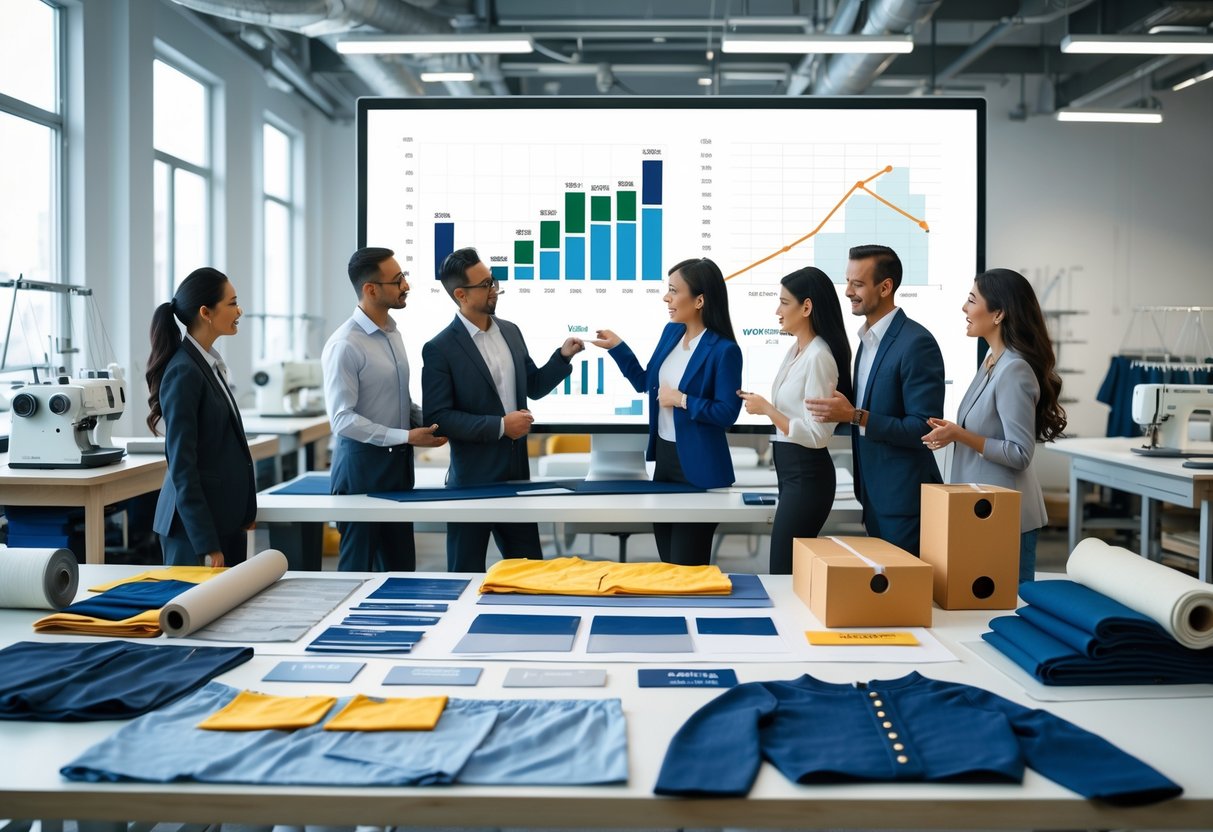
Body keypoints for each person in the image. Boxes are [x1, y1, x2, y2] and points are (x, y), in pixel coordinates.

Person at [422, 247, 584, 572]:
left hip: (516, 477)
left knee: (530, 574)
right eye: (486, 284)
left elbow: (533, 386)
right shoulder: (439, 348)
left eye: (493, 280)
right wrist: (500, 426)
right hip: (471, 484)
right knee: (463, 576)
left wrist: (562, 358)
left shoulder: (511, 331)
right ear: (461, 295)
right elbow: (439, 419)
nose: (494, 288)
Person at [591, 257, 743, 566]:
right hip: (665, 465)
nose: (666, 298)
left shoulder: (724, 350)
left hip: (699, 471)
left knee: (687, 567)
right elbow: (646, 383)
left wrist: (684, 400)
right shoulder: (671, 333)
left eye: (673, 291)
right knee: (668, 564)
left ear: (699, 300)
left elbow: (728, 412)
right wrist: (618, 348)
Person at [920, 268, 1067, 584]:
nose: (964, 308)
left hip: (1005, 518)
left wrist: (960, 434)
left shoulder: (1014, 369)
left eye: (972, 300)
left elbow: (1019, 453)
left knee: (1008, 610)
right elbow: (988, 431)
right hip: (982, 512)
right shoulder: (992, 358)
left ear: (998, 313)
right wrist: (953, 431)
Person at [806, 244, 944, 555]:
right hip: (872, 494)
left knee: (904, 594)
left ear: (885, 287)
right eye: (847, 281)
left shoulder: (917, 343)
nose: (847, 292)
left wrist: (855, 415)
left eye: (857, 284)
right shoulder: (866, 342)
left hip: (904, 500)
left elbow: (924, 428)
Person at [322, 247, 447, 572]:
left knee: (401, 572)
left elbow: (399, 399)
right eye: (397, 280)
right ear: (370, 289)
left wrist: (438, 422)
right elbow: (342, 419)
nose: (405, 285)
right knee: (355, 575)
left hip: (397, 472)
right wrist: (406, 436)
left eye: (403, 276)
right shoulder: (345, 344)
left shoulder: (393, 333)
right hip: (362, 473)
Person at [738, 266, 852, 574]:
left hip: (807, 476)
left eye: (784, 302)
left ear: (806, 307)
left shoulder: (819, 357)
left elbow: (818, 435)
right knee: (784, 567)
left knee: (783, 568)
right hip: (791, 474)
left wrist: (768, 410)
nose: (777, 310)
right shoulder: (796, 349)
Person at [146, 267, 255, 567]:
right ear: (206, 312)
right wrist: (206, 543)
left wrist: (245, 512)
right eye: (232, 303)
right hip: (195, 532)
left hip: (222, 521)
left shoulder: (207, 364)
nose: (239, 310)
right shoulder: (185, 371)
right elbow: (182, 466)